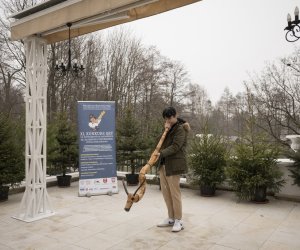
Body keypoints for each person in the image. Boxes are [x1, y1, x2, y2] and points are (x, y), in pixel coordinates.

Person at [156, 106, 190, 232]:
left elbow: (176, 147)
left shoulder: (181, 129)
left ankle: (179, 220)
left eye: (170, 118)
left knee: (175, 193)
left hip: (174, 165)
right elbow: (158, 142)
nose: (169, 120)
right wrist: (165, 130)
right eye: (166, 119)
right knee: (166, 193)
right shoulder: (168, 128)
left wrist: (161, 154)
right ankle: (171, 217)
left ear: (175, 115)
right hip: (163, 165)